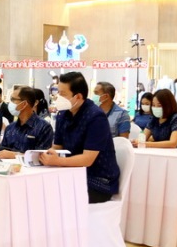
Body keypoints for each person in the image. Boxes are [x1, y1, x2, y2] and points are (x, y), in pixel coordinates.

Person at [39, 72, 120, 204]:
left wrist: (57, 161)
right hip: (70, 174)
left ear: (78, 96)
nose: (58, 97)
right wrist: (47, 155)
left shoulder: (96, 117)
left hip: (98, 181)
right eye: (58, 93)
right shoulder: (62, 114)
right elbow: (57, 147)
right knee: (40, 188)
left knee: (53, 196)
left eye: (63, 94)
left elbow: (87, 159)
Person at [0, 86, 54, 159]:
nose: (10, 103)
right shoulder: (10, 128)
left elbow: (42, 157)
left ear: (24, 104)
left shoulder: (44, 127)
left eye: (13, 99)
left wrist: (16, 155)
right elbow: (1, 152)